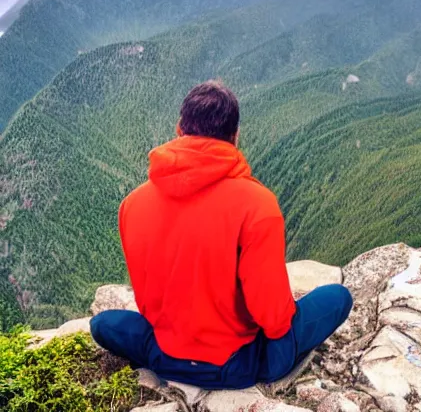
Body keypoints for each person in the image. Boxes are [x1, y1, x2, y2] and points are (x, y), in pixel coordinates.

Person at [90, 80, 352, 390]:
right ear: (235, 136)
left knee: (102, 324)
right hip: (239, 366)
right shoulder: (257, 204)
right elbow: (274, 318)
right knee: (337, 298)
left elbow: (147, 303)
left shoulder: (133, 204)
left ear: (179, 128)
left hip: (163, 355)